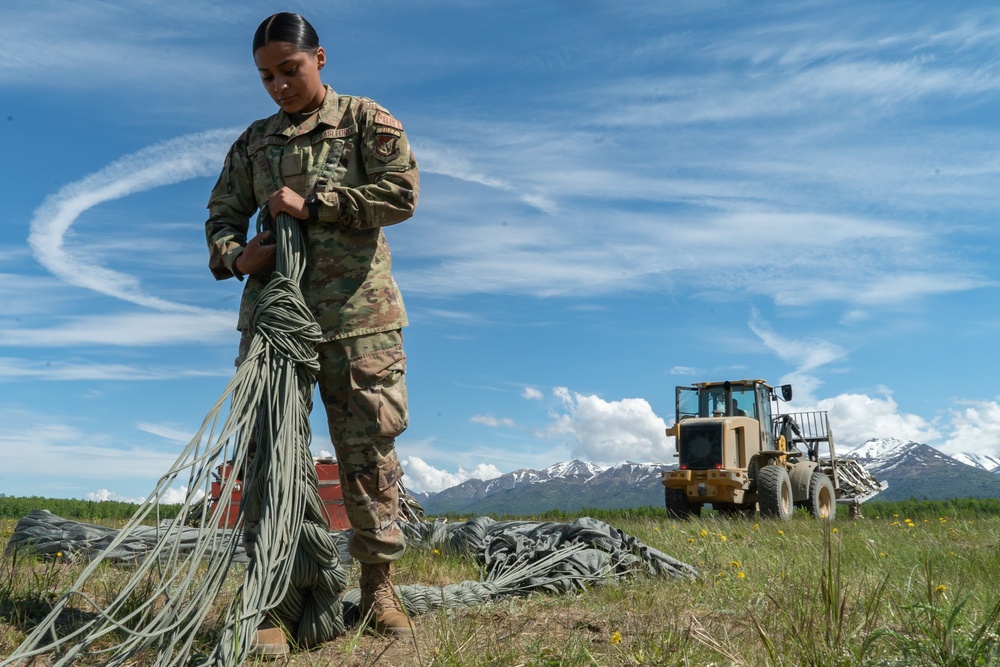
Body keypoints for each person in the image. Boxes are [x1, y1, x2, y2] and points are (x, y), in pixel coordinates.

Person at [204, 12, 419, 652]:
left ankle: (378, 586)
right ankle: (274, 594)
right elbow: (221, 214)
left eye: (289, 70)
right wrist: (236, 257)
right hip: (275, 323)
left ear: (319, 59)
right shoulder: (253, 144)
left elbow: (401, 194)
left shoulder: (365, 121)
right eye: (266, 76)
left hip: (359, 319)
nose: (278, 86)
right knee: (271, 456)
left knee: (369, 452)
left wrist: (315, 205)